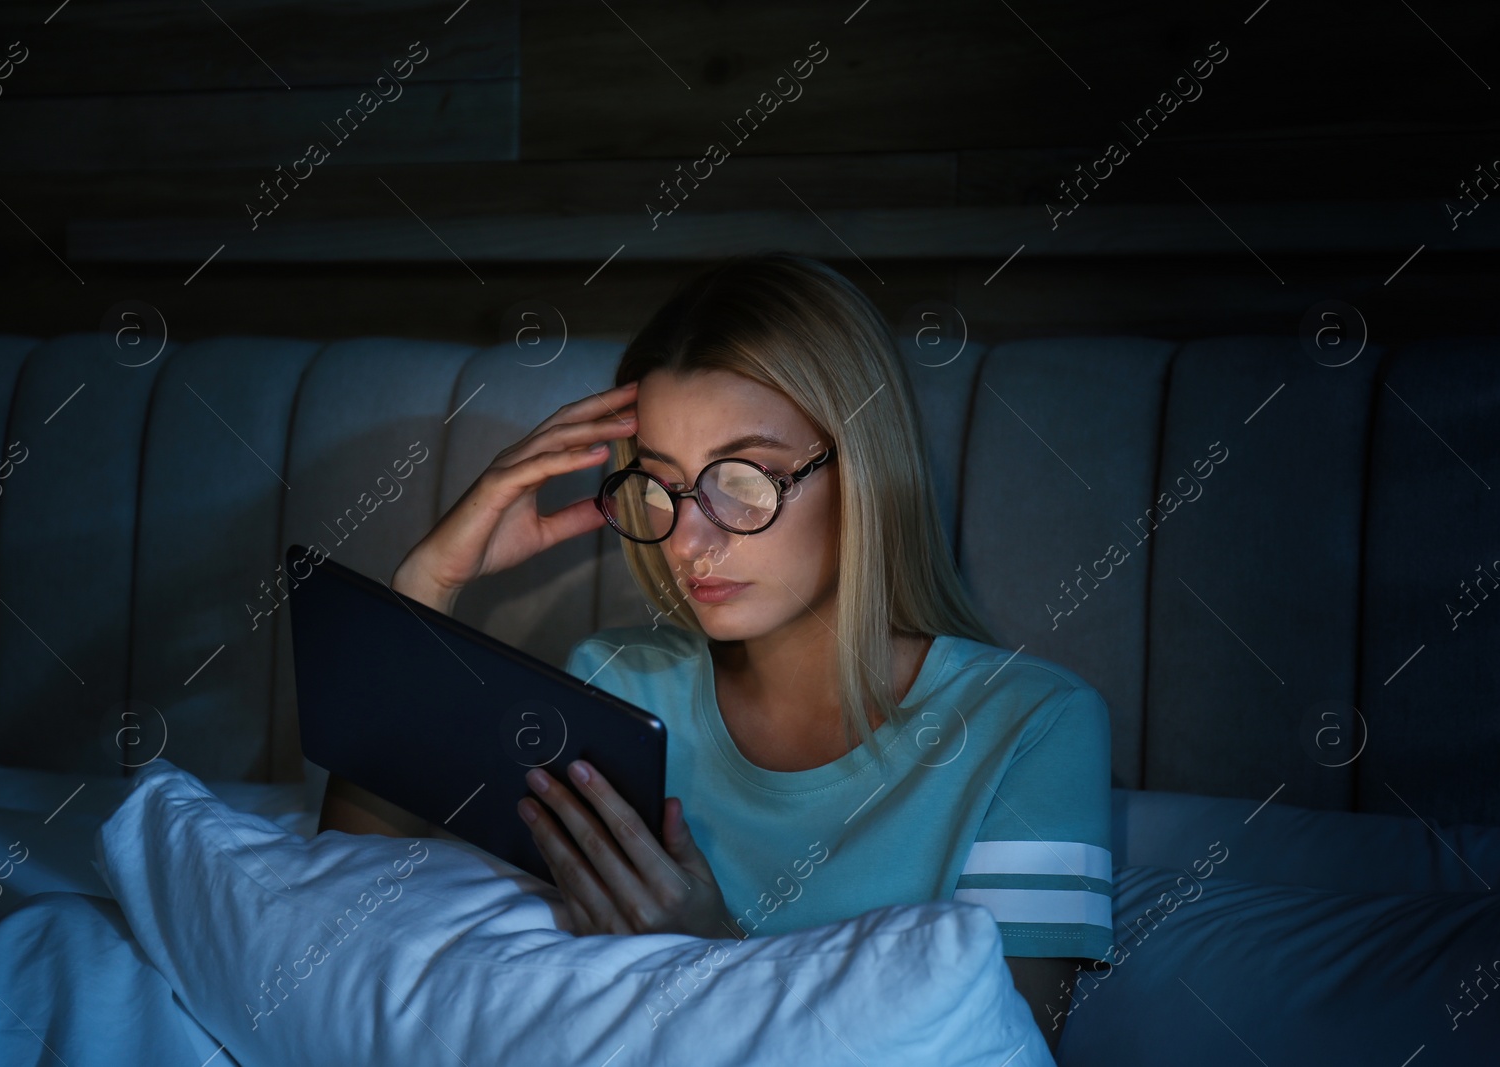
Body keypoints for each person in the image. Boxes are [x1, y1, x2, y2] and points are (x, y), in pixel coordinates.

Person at [319, 251, 1113, 1051]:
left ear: (864, 469)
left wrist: (716, 957)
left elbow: (1014, 1046)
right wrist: (424, 587)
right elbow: (338, 915)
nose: (690, 539)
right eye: (662, 483)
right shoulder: (618, 682)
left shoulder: (1034, 727)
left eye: (746, 479)